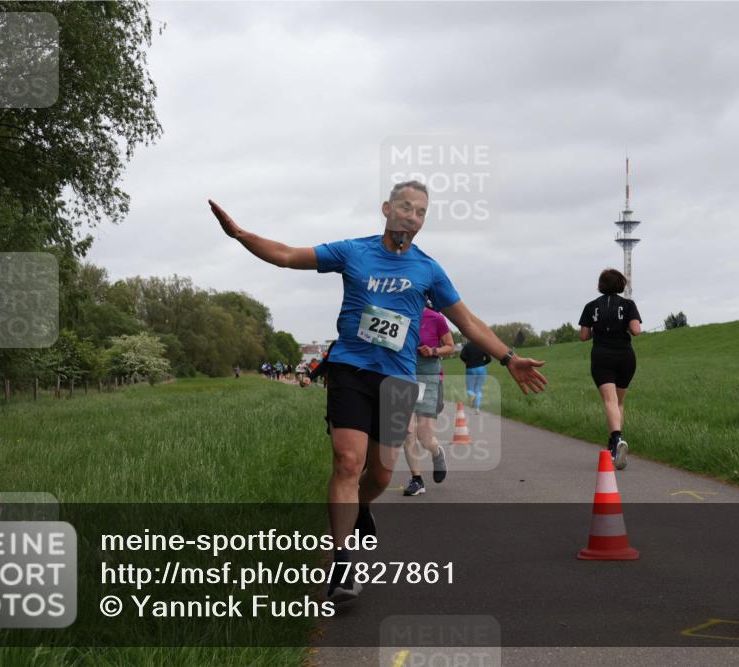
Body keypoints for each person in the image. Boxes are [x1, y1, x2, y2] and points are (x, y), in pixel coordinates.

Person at [209, 180, 547, 604]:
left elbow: (469, 321)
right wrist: (242, 237)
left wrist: (508, 356)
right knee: (348, 463)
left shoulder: (428, 270)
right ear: (386, 209)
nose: (412, 215)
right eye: (405, 207)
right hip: (350, 368)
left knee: (382, 475)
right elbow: (287, 256)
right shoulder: (353, 251)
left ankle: (360, 507)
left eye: (421, 211)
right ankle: (343, 562)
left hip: (398, 379)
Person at [578, 268, 641, 471]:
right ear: (621, 285)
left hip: (602, 356)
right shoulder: (628, 305)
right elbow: (636, 331)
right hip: (626, 356)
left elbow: (584, 336)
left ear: (601, 285)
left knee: (609, 400)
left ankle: (617, 439)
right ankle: (614, 445)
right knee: (619, 402)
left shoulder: (591, 306)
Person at [402, 303, 455, 496]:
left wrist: (433, 351)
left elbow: (450, 347)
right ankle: (417, 480)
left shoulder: (436, 318)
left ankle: (436, 452)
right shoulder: (398, 314)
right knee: (407, 432)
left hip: (428, 378)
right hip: (404, 377)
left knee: (424, 438)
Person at [459, 339, 491, 415]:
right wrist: (482, 363)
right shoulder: (482, 345)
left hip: (470, 369)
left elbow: (462, 356)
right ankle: (477, 409)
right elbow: (489, 359)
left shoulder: (467, 346)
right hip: (481, 369)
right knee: (478, 389)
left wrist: (468, 361)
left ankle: (472, 395)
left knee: (469, 389)